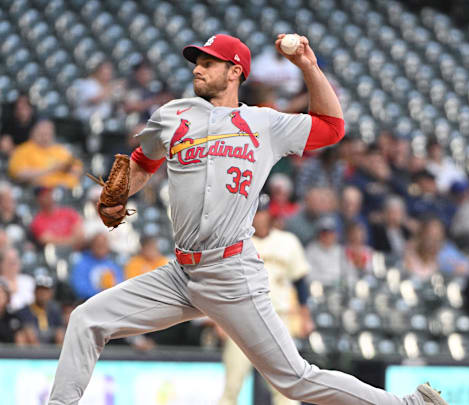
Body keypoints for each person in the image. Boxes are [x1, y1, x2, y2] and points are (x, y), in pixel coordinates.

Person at [47, 33, 447, 405]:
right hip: (181, 274)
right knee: (86, 319)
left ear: (235, 71)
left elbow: (332, 127)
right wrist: (117, 192)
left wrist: (307, 64)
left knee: (295, 378)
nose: (197, 68)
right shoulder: (173, 115)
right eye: (196, 61)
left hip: (230, 271)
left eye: (209, 62)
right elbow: (142, 162)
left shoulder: (264, 124)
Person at [219, 198, 313, 405]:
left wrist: (305, 317)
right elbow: (221, 282)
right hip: (240, 319)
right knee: (232, 385)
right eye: (255, 212)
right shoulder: (235, 240)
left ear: (270, 214)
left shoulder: (288, 241)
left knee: (286, 387)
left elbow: (301, 283)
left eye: (261, 212)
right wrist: (219, 320)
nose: (258, 216)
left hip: (278, 318)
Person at [8, 119, 83, 189]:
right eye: (41, 134)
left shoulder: (61, 150)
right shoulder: (23, 150)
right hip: (40, 191)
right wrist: (50, 169)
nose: (44, 137)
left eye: (47, 134)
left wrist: (71, 172)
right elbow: (18, 173)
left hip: (66, 190)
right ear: (33, 133)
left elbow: (77, 168)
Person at [70, 232, 124, 300]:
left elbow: (120, 284)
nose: (101, 248)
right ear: (92, 246)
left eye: (104, 245)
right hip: (89, 302)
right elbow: (80, 288)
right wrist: (101, 294)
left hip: (111, 300)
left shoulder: (112, 264)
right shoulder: (82, 264)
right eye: (98, 245)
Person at [16, 270, 65, 345]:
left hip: (52, 344)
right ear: (34, 291)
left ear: (51, 293)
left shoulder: (55, 311)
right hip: (31, 347)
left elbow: (60, 329)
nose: (42, 293)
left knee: (61, 334)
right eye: (40, 290)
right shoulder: (24, 311)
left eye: (46, 290)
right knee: (24, 335)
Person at [305, 216, 352, 287]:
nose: (328, 236)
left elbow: (350, 273)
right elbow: (308, 276)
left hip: (339, 289)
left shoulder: (341, 250)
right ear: (319, 234)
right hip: (320, 290)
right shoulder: (311, 250)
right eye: (324, 233)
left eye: (331, 233)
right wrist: (329, 281)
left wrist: (345, 282)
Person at [0, 247, 35, 312]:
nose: (14, 263)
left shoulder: (29, 280)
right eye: (9, 261)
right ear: (0, 264)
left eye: (15, 259)